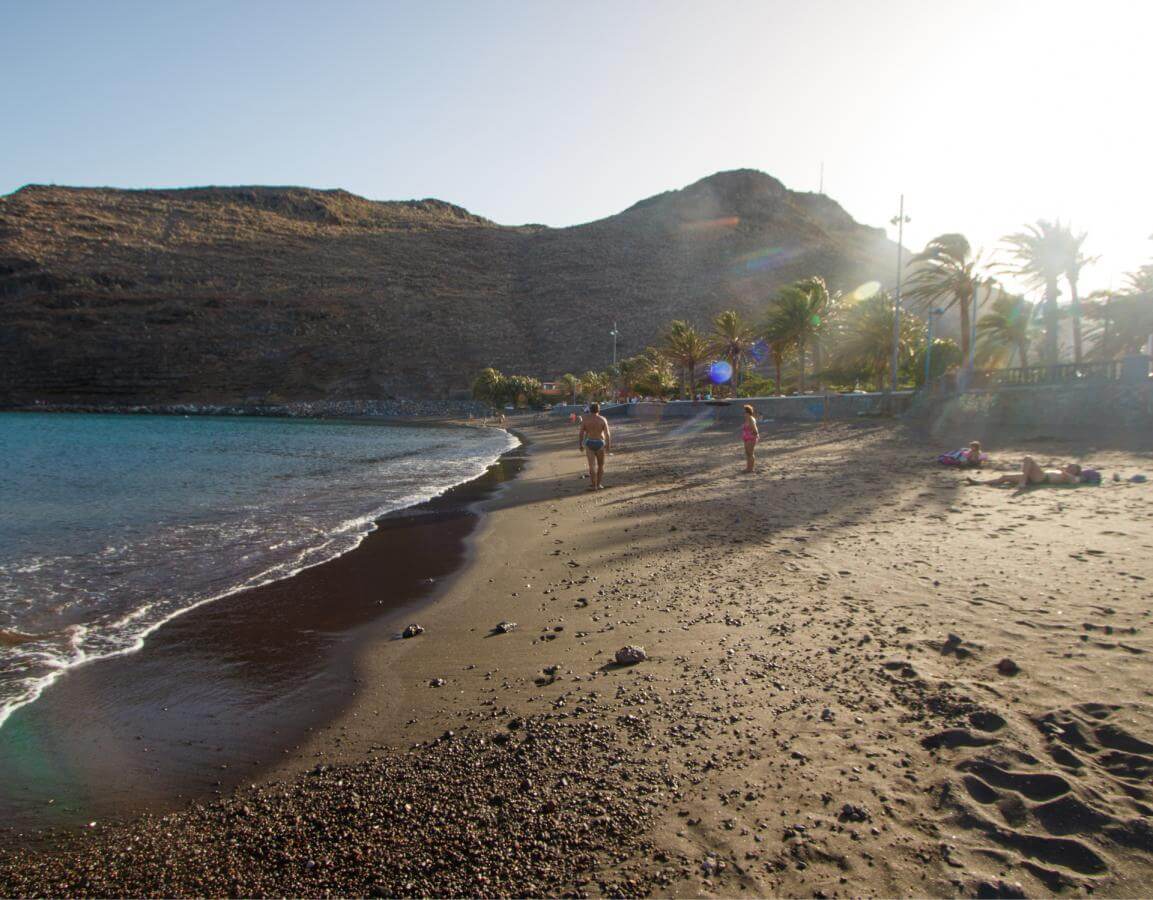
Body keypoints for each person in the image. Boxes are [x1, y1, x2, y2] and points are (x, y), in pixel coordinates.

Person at [967, 457, 1082, 487]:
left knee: (1028, 458)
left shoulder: (1072, 477)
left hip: (1043, 478)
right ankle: (980, 483)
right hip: (1035, 477)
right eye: (1070, 465)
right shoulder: (1060, 471)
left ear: (1076, 471)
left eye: (1073, 467)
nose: (1070, 467)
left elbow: (1075, 482)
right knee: (1004, 477)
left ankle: (1022, 482)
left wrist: (1065, 472)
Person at [578, 402, 611, 490]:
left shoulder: (585, 420)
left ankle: (594, 485)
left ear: (590, 410)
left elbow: (581, 433)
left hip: (589, 443)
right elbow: (607, 434)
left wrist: (580, 444)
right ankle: (599, 484)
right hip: (600, 442)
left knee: (592, 466)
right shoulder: (603, 419)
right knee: (600, 465)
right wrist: (608, 445)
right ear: (599, 410)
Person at [741, 404, 759, 473]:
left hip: (751, 439)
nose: (743, 414)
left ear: (747, 412)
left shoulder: (751, 419)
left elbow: (755, 430)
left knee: (750, 453)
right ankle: (748, 468)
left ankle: (751, 469)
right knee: (748, 453)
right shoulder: (747, 419)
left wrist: (752, 437)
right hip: (746, 438)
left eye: (744, 412)